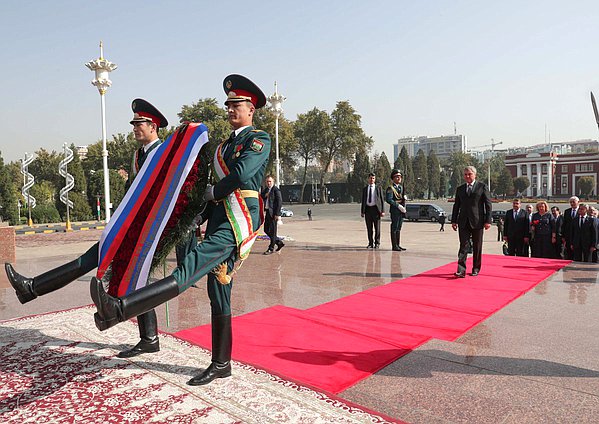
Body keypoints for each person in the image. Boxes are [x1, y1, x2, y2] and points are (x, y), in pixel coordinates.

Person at [90, 74, 271, 387]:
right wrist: (196, 214)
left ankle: (120, 308)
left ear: (251, 108)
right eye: (227, 104)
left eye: (236, 104)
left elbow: (242, 175)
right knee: (219, 292)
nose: (230, 109)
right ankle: (221, 362)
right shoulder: (225, 145)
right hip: (219, 217)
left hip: (241, 216)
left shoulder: (258, 139)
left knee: (191, 265)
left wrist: (213, 193)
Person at [5, 99, 173, 359]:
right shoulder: (139, 155)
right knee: (97, 264)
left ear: (153, 126)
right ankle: (31, 287)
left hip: (146, 230)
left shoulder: (162, 154)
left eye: (138, 123)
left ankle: (31, 288)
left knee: (131, 277)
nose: (134, 128)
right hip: (128, 228)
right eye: (133, 124)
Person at [451, 166, 492, 277]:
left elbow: (488, 205)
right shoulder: (460, 189)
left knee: (477, 246)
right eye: (465, 174)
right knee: (463, 246)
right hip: (463, 221)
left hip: (477, 221)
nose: (467, 176)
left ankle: (476, 268)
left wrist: (488, 220)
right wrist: (453, 220)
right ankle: (461, 270)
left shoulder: (482, 187)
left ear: (475, 175)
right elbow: (456, 206)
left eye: (469, 174)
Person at [360, 172, 385, 248]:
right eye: (370, 178)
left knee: (377, 228)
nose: (372, 179)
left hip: (376, 210)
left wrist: (382, 211)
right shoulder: (365, 189)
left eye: (373, 178)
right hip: (368, 209)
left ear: (375, 179)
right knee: (369, 228)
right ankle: (370, 243)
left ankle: (377, 243)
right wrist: (362, 211)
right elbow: (363, 200)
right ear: (368, 179)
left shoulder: (378, 188)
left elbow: (382, 200)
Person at [261, 175, 284, 255]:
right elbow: (261, 196)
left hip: (274, 213)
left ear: (273, 182)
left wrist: (277, 214)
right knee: (266, 230)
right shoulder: (266, 190)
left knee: (273, 231)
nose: (268, 183)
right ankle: (278, 242)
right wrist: (265, 195)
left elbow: (279, 202)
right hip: (268, 212)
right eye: (267, 181)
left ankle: (271, 248)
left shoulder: (276, 190)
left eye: (270, 181)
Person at [385, 169, 407, 251]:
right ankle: (394, 246)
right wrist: (398, 205)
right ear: (393, 178)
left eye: (400, 176)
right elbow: (389, 199)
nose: (399, 178)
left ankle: (398, 244)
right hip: (395, 210)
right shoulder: (390, 188)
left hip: (401, 210)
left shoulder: (401, 187)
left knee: (399, 228)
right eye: (397, 177)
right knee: (394, 227)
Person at [562, 196, 580, 260]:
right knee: (569, 252)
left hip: (578, 235)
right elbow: (564, 224)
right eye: (571, 202)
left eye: (573, 202)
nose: (572, 204)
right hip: (569, 235)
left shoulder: (581, 210)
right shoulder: (567, 211)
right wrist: (563, 236)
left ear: (578, 202)